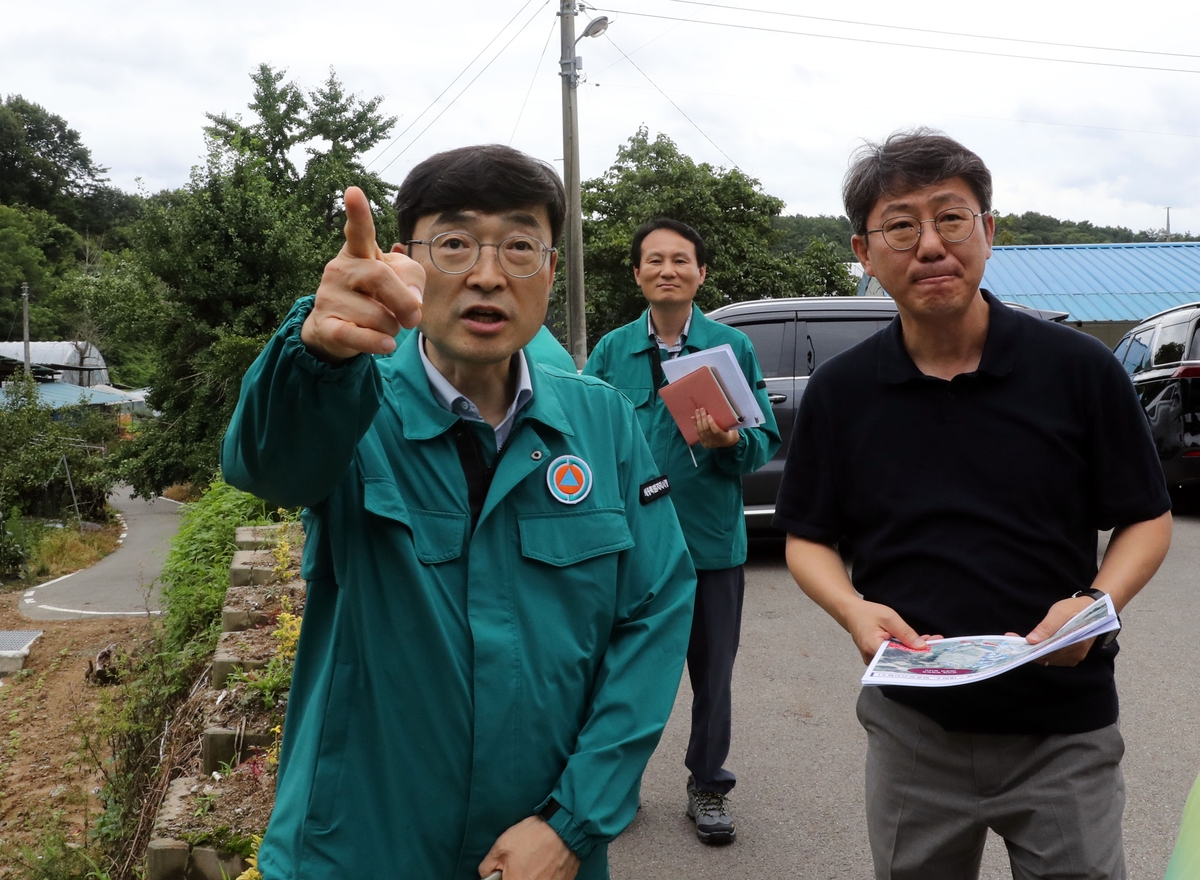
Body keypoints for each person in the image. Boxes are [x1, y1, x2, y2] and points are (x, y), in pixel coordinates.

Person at [221, 144, 696, 880]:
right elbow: (264, 465)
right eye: (454, 243)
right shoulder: (348, 398)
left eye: (518, 244)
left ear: (549, 268)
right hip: (358, 846)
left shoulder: (601, 422)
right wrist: (314, 351)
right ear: (406, 260)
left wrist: (573, 822)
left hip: (542, 853)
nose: (486, 272)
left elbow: (655, 612)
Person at [775, 129, 1173, 880]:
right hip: (914, 728)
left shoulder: (1077, 369)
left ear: (989, 232)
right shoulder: (843, 392)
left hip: (1064, 725)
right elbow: (808, 538)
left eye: (951, 218)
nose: (929, 244)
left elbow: (1146, 517)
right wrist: (854, 612)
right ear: (864, 251)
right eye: (901, 225)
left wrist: (1095, 602)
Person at [584, 218, 779, 844]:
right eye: (655, 260)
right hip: (629, 546)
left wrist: (732, 441)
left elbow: (763, 440)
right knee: (616, 670)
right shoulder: (612, 352)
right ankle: (614, 786)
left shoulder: (731, 349)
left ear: (700, 273)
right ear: (637, 273)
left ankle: (707, 787)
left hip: (709, 545)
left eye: (681, 260)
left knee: (712, 673)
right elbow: (585, 440)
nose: (668, 270)